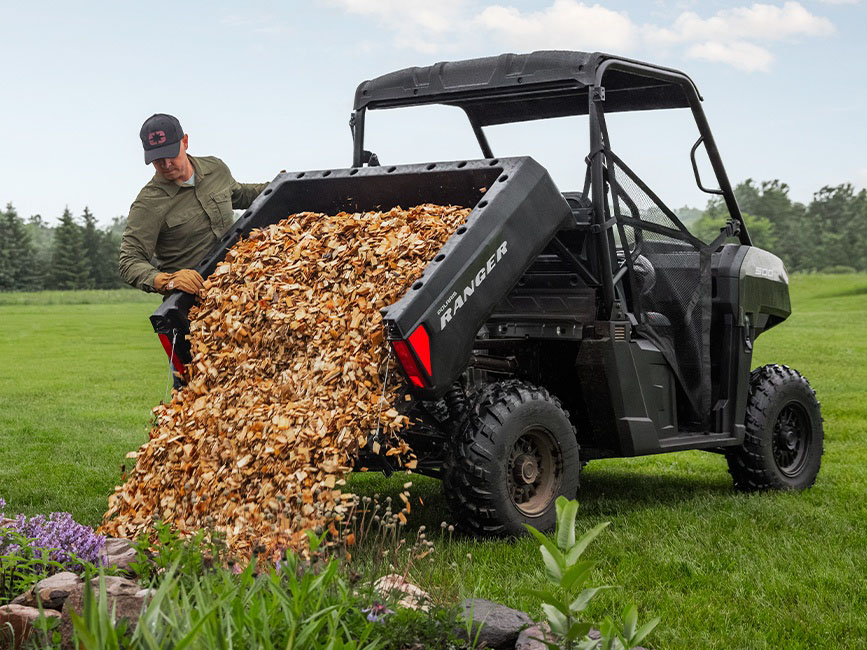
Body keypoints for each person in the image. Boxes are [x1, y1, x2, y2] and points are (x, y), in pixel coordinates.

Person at [119, 113, 268, 296]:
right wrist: (169, 281)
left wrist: (283, 184)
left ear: (185, 142)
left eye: (170, 154)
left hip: (239, 287)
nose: (166, 164)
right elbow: (129, 261)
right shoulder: (147, 204)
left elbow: (240, 195)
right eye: (157, 159)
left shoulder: (216, 169)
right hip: (192, 302)